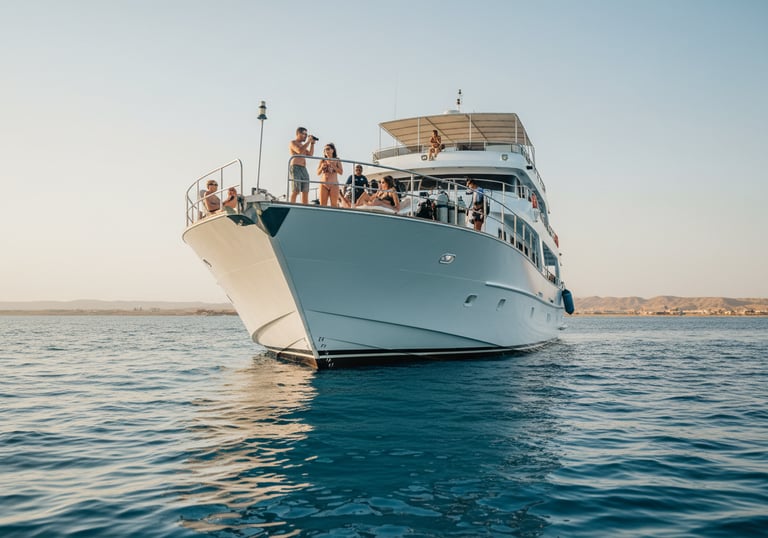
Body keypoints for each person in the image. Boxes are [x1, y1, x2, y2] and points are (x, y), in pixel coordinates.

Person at [289, 126, 317, 204]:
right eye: (304, 134)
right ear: (298, 134)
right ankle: (291, 205)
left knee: (305, 190)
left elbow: (310, 154)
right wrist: (308, 141)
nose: (305, 136)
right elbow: (299, 151)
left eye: (306, 134)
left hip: (303, 168)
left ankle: (305, 205)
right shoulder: (293, 142)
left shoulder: (303, 145)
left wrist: (312, 144)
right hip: (295, 167)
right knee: (296, 190)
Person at [316, 143, 343, 207]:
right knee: (322, 205)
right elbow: (318, 173)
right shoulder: (322, 160)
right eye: (325, 150)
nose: (326, 151)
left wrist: (333, 166)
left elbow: (341, 172)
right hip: (324, 184)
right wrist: (322, 167)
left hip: (334, 184)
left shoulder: (337, 160)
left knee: (334, 205)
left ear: (333, 150)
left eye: (328, 149)